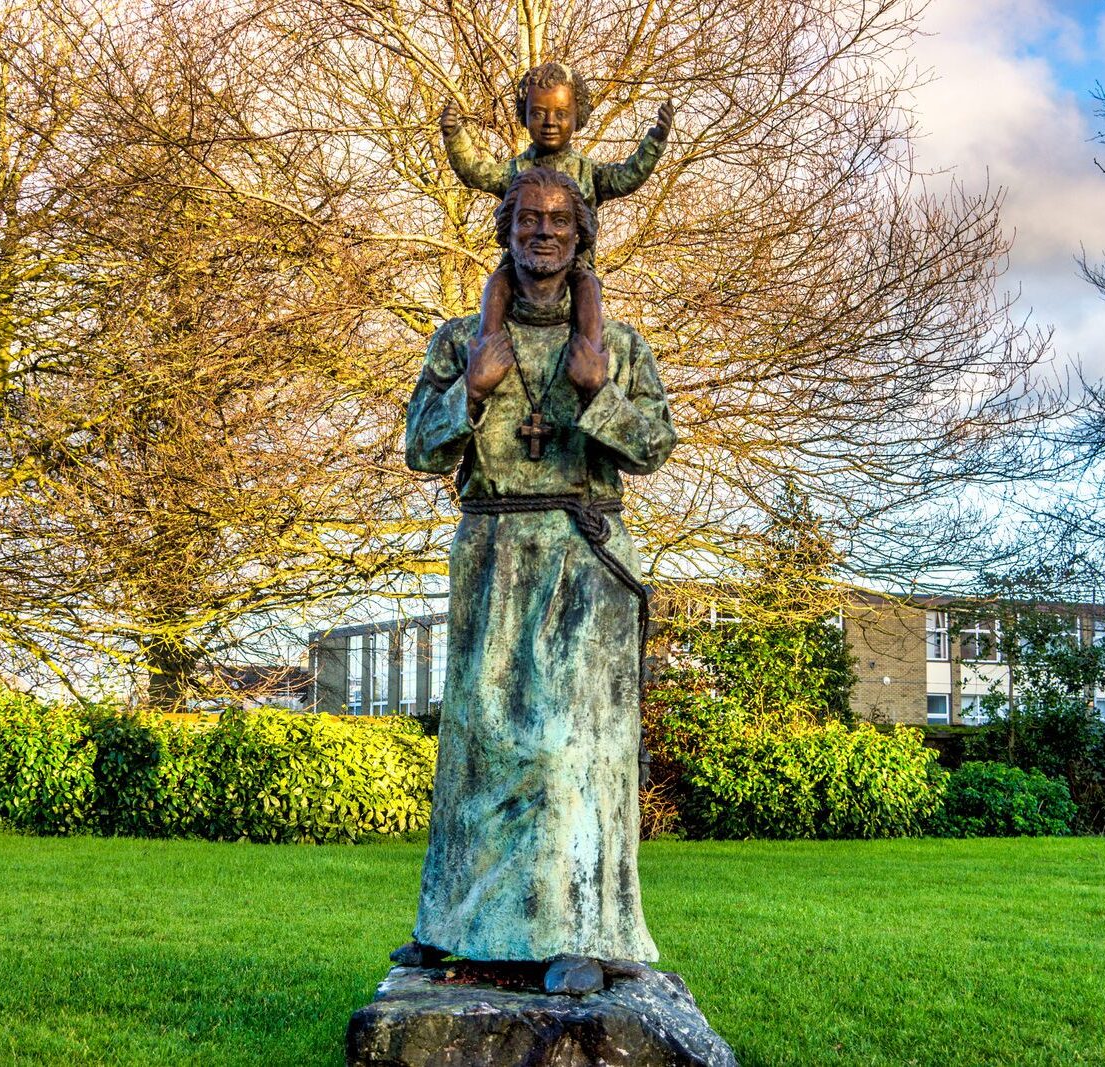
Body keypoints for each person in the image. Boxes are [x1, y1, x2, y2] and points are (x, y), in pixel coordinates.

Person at [393, 166, 677, 996]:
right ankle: (455, 922)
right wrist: (470, 395)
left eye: (559, 220)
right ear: (507, 230)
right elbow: (421, 448)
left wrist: (601, 393)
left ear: (580, 234)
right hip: (491, 554)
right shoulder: (459, 341)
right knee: (479, 747)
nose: (543, 232)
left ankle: (580, 927)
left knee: (569, 751)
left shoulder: (617, 345)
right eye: (528, 219)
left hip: (582, 555)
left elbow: (655, 444)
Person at [440, 62, 675, 371]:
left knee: (587, 288)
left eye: (561, 114)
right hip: (522, 265)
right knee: (497, 283)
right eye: (538, 113)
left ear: (579, 117)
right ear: (524, 116)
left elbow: (626, 177)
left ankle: (590, 357)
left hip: (575, 263)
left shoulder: (588, 172)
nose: (550, 122)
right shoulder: (513, 171)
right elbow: (475, 173)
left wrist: (654, 142)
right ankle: (488, 351)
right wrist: (455, 135)